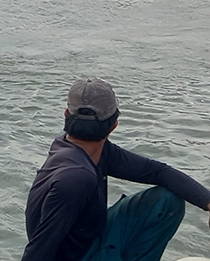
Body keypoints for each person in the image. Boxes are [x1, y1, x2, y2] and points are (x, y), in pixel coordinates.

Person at [22, 77, 210, 261]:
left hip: (90, 238)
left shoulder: (92, 150)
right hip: (77, 256)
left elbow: (158, 172)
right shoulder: (76, 177)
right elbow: (40, 248)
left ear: (66, 115)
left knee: (166, 201)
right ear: (114, 125)